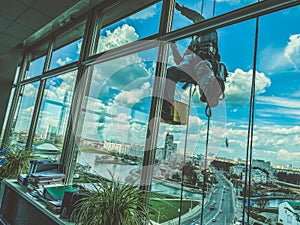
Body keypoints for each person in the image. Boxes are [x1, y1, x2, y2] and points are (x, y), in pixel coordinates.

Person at [161, 2, 228, 124]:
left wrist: (180, 9)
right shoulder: (194, 45)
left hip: (202, 63)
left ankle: (211, 90)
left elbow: (196, 17)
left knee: (202, 68)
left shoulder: (208, 31)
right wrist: (173, 47)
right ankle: (165, 111)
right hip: (195, 66)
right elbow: (181, 62)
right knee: (171, 72)